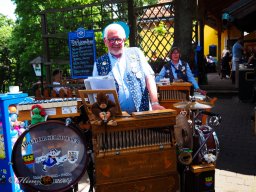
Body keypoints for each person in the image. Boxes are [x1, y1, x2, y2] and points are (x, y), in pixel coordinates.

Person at [92, 23, 165, 114]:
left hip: (142, 112)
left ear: (124, 39)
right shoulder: (99, 63)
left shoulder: (136, 53)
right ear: (105, 41)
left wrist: (154, 103)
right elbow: (95, 92)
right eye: (111, 39)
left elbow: (149, 77)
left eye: (118, 39)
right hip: (115, 116)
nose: (116, 42)